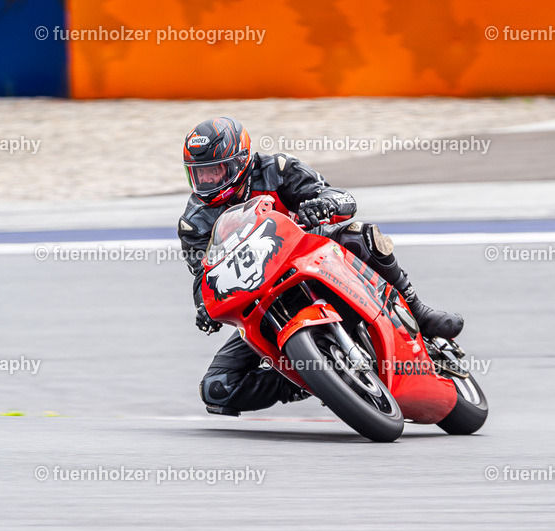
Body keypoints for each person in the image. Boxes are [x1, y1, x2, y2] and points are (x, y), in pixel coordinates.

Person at [178, 116, 464, 416]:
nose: (207, 182)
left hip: (310, 257)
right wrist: (204, 308)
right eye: (199, 175)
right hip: (261, 300)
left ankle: (417, 309)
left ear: (240, 161)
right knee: (218, 387)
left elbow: (339, 196)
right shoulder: (194, 222)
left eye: (215, 171)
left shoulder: (277, 170)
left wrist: (324, 204)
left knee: (361, 236)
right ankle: (308, 379)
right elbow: (203, 279)